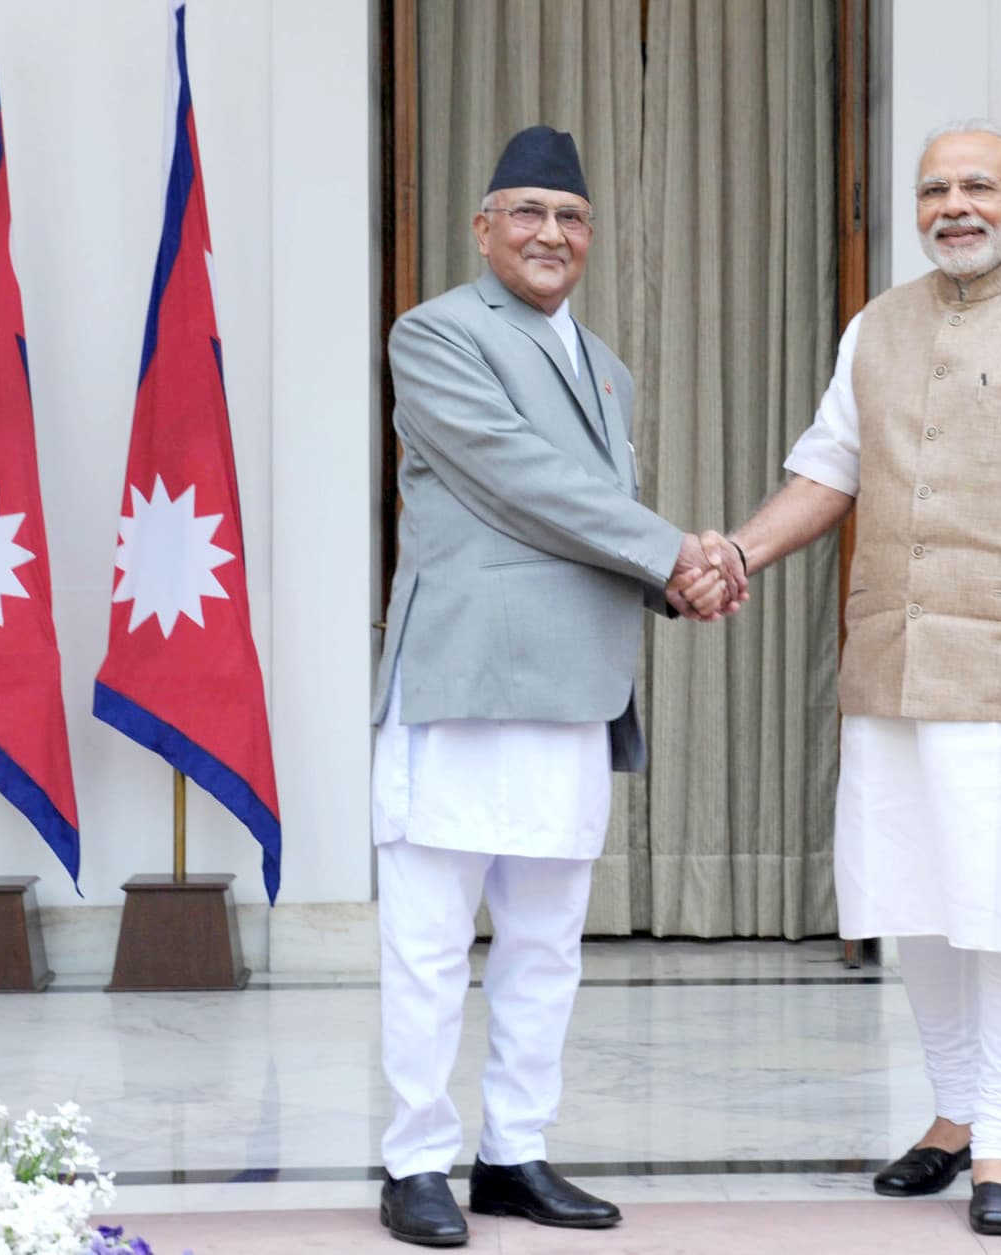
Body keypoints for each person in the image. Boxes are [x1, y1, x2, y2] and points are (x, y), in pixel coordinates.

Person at [692, 120, 1001, 1237]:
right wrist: (735, 554)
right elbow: (828, 469)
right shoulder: (877, 326)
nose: (954, 206)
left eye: (977, 186)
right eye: (934, 190)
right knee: (918, 904)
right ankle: (951, 1117)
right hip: (893, 673)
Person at [371, 125, 743, 1247]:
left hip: (574, 689)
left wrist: (678, 583)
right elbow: (515, 478)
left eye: (570, 217)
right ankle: (414, 1162)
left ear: (590, 238)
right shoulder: (436, 333)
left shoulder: (606, 366)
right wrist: (676, 548)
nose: (549, 233)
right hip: (465, 679)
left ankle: (513, 1153)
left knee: (545, 944)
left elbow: (583, 525)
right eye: (526, 212)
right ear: (484, 227)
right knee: (431, 938)